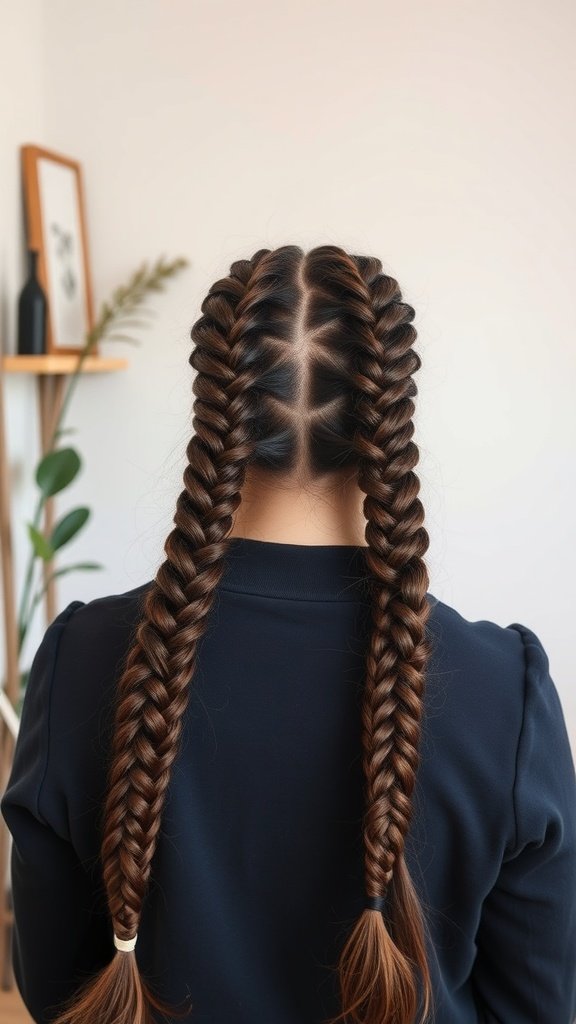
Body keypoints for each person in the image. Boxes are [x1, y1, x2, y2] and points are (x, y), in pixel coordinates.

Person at [2, 243, 575, 1024]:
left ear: (217, 418)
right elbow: (541, 1002)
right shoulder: (505, 689)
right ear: (389, 421)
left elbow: (54, 988)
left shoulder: (81, 660)